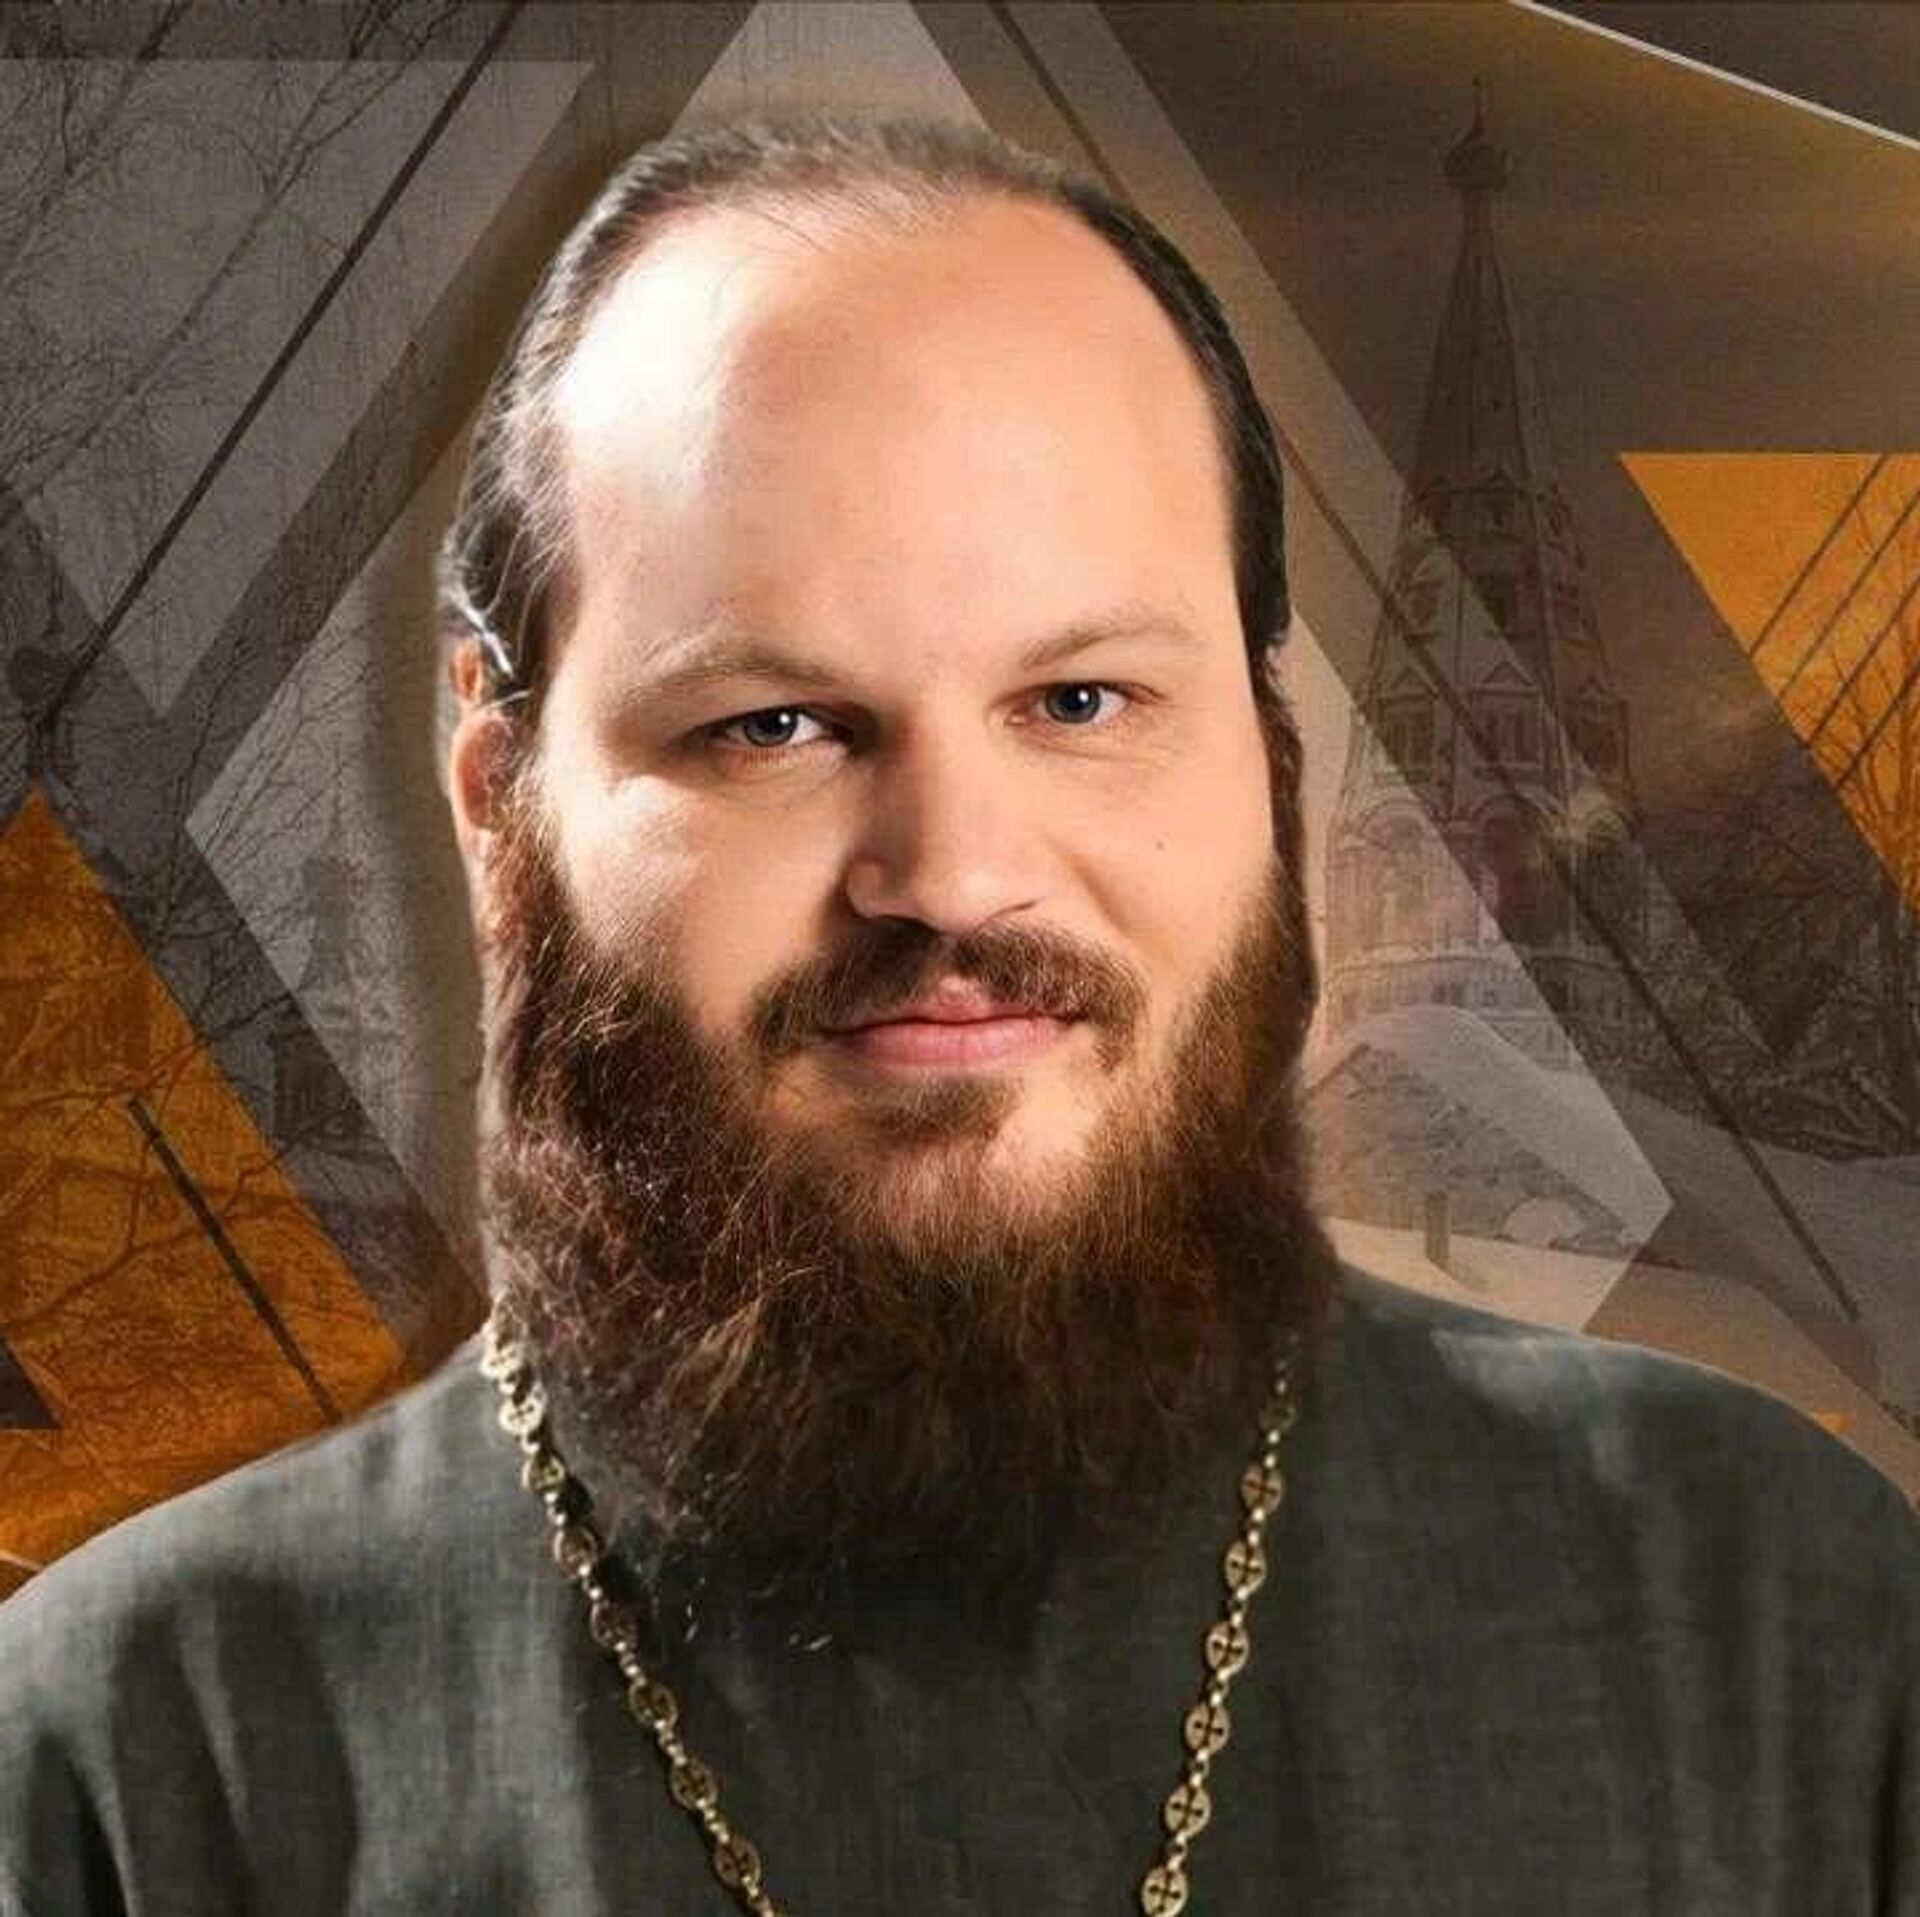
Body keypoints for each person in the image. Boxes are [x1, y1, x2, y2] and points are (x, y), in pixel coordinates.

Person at [1, 115, 1914, 1917]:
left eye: (1081, 701)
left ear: (1271, 770)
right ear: (501, 816)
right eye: (770, 724)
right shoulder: (130, 1768)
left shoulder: (1780, 1623)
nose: (952, 874)